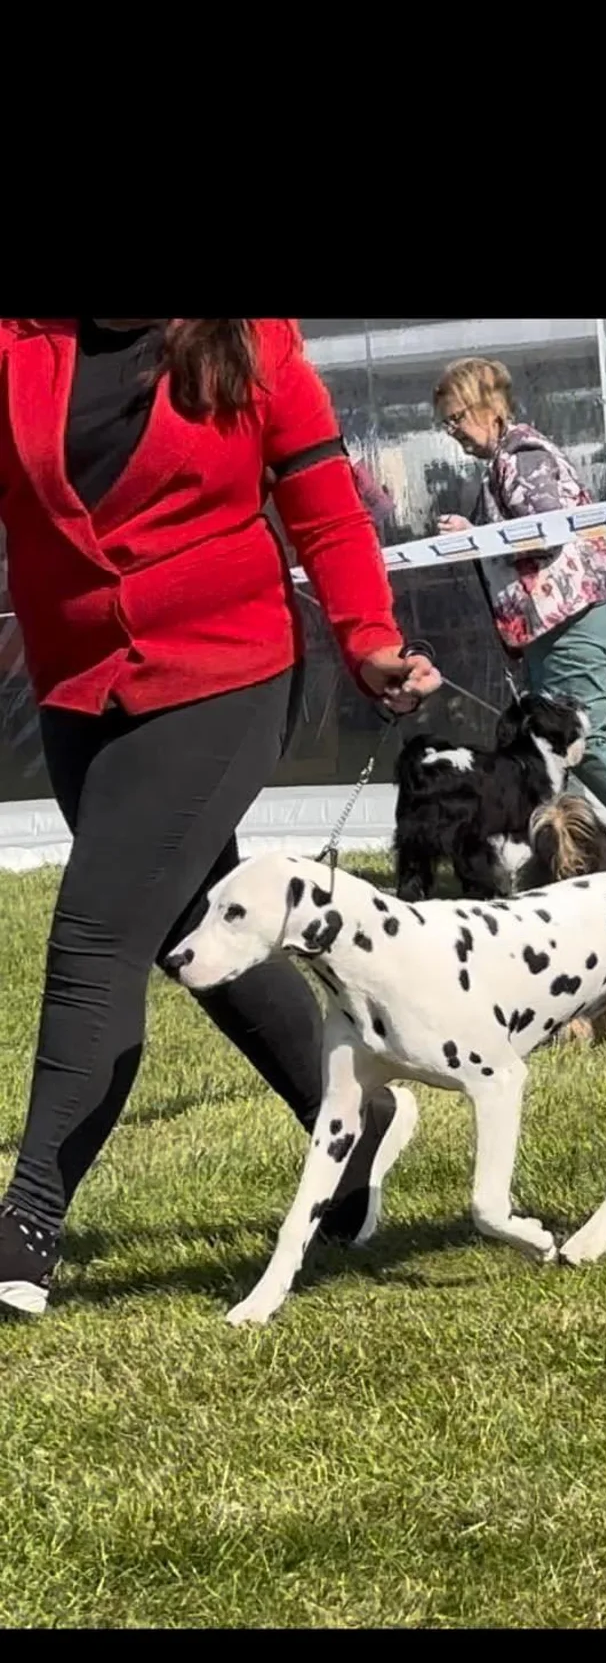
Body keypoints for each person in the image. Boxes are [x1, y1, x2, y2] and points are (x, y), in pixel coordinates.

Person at [0, 316, 441, 1316]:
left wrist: (369, 637)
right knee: (190, 927)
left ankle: (25, 1223)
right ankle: (355, 1122)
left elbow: (325, 505)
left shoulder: (256, 339)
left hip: (224, 671)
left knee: (98, 931)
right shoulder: (19, 343)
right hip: (81, 685)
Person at [432, 358, 606, 817]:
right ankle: (575, 843)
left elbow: (547, 532)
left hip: (572, 615)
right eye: (446, 423)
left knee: (583, 741)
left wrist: (477, 537)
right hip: (557, 620)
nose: (453, 432)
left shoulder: (522, 456)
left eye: (456, 418)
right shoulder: (505, 461)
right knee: (553, 743)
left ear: (489, 407)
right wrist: (475, 534)